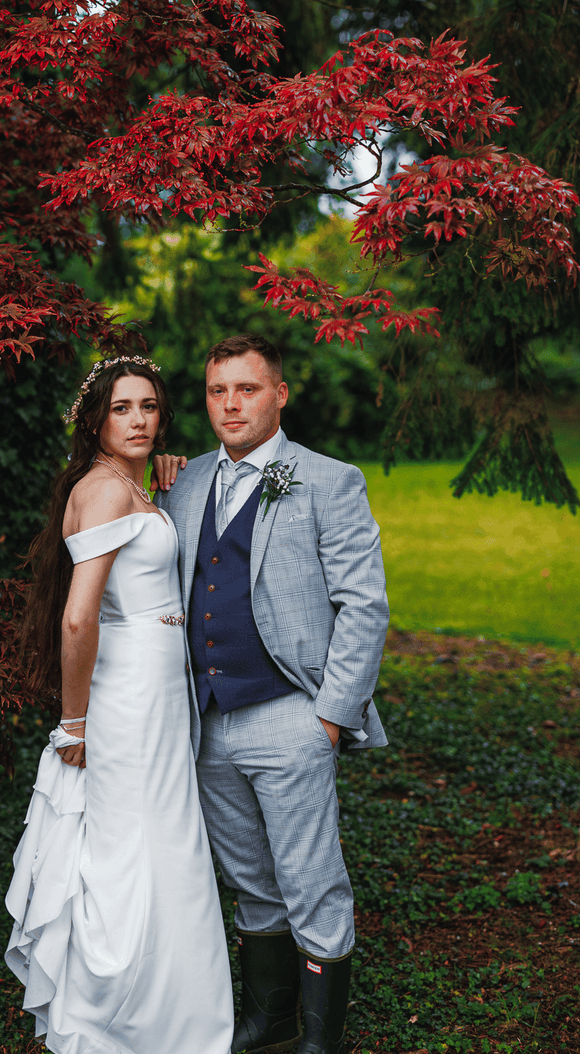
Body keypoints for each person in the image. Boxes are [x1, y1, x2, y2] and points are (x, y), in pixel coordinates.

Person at [154, 334, 389, 1054]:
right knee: (250, 878)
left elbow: (364, 606)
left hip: (291, 714)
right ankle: (271, 1022)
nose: (231, 404)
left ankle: (320, 1040)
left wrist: (330, 718)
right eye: (217, 390)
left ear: (279, 395)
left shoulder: (328, 480)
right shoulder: (183, 480)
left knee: (311, 880)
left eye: (247, 389)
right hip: (208, 721)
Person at [5, 356, 234, 1054]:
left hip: (160, 689)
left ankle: (173, 1012)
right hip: (129, 693)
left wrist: (163, 480)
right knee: (136, 845)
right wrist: (73, 723)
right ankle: (124, 1017)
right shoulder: (104, 492)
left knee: (162, 840)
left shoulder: (125, 484)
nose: (139, 420)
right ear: (95, 420)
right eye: (122, 408)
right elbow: (79, 618)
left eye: (149, 407)